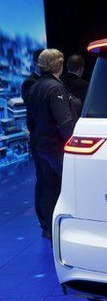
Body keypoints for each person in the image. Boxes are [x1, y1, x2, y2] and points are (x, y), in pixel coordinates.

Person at [25, 49, 79, 239]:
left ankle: (50, 229)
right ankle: (67, 230)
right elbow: (64, 122)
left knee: (47, 190)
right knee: (66, 189)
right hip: (57, 149)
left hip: (42, 147)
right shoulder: (55, 87)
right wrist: (74, 143)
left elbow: (29, 122)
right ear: (59, 65)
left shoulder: (34, 87)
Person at [21, 48, 45, 232]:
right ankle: (44, 221)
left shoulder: (46, 81)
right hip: (38, 138)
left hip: (48, 138)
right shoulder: (30, 83)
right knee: (43, 179)